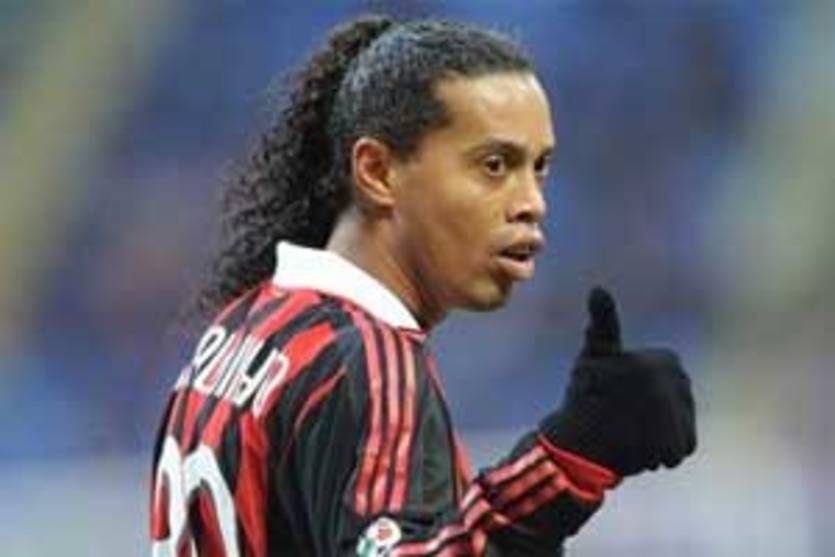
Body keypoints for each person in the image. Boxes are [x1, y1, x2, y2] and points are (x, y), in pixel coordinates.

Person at [149, 15, 696, 556]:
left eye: (539, 167)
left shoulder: (241, 328)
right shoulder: (367, 360)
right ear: (377, 172)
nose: (532, 202)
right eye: (494, 165)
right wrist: (567, 461)